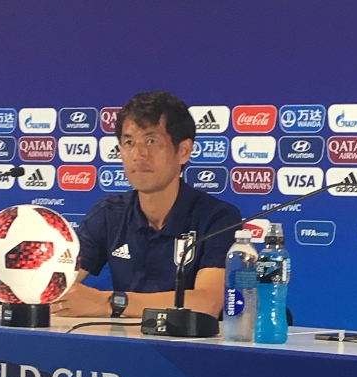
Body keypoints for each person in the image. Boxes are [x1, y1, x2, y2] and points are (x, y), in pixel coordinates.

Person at [52, 91, 240, 318]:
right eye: (129, 142)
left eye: (151, 141)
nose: (139, 154)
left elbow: (206, 303)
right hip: (125, 347)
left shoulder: (218, 217)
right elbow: (54, 284)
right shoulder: (109, 213)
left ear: (183, 151)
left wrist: (108, 302)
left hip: (192, 350)